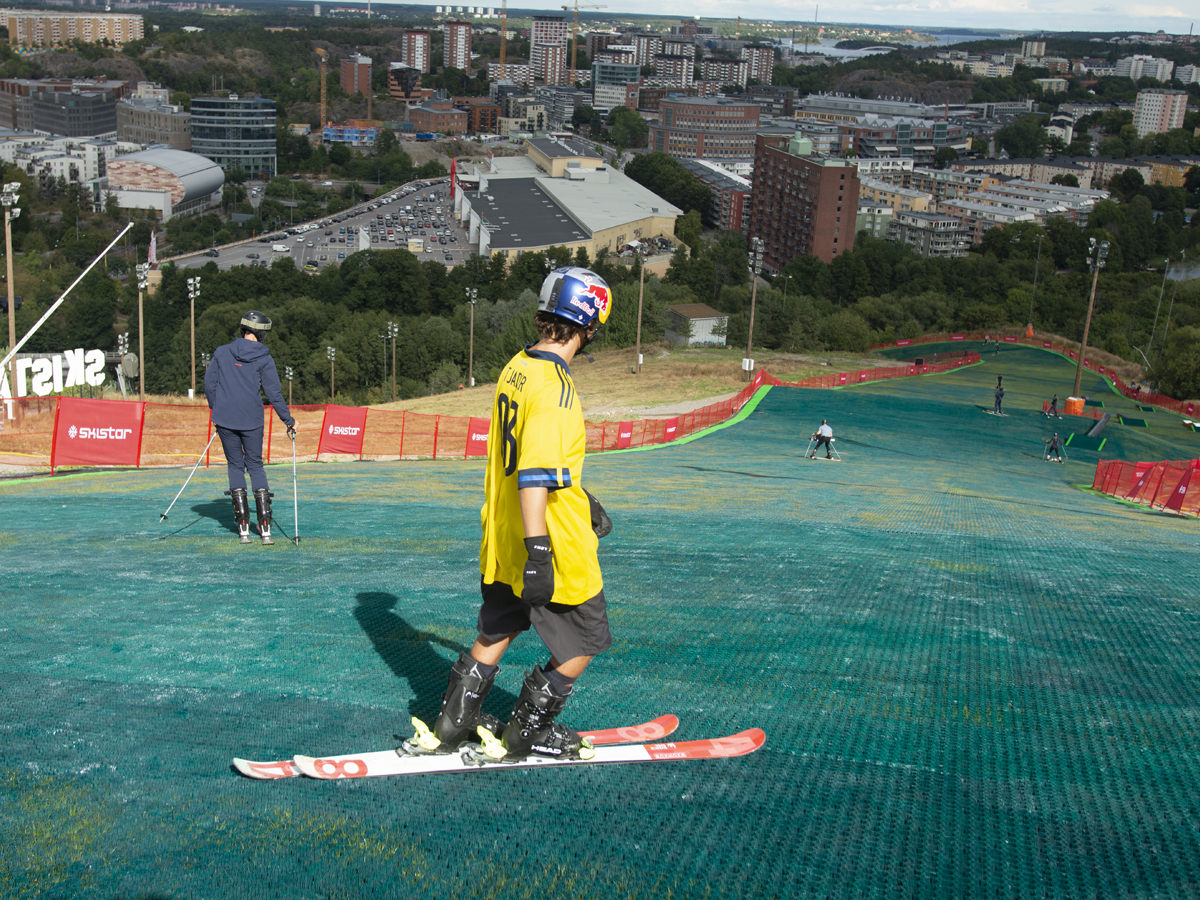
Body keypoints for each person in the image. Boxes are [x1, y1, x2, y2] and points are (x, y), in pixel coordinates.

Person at [422, 267, 614, 762]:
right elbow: (533, 472)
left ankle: (451, 725)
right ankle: (526, 734)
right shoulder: (558, 386)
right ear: (589, 325)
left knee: (499, 626)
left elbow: (529, 454)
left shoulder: (517, 366)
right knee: (585, 640)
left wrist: (580, 496)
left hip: (503, 531)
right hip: (546, 536)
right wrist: (540, 550)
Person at [204, 311, 296, 545]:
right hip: (252, 420)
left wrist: (217, 411)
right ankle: (265, 527)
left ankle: (243, 526)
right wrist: (288, 420)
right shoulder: (265, 358)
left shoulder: (222, 352)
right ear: (262, 333)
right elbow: (273, 393)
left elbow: (209, 384)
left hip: (225, 419)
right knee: (255, 465)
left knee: (235, 465)